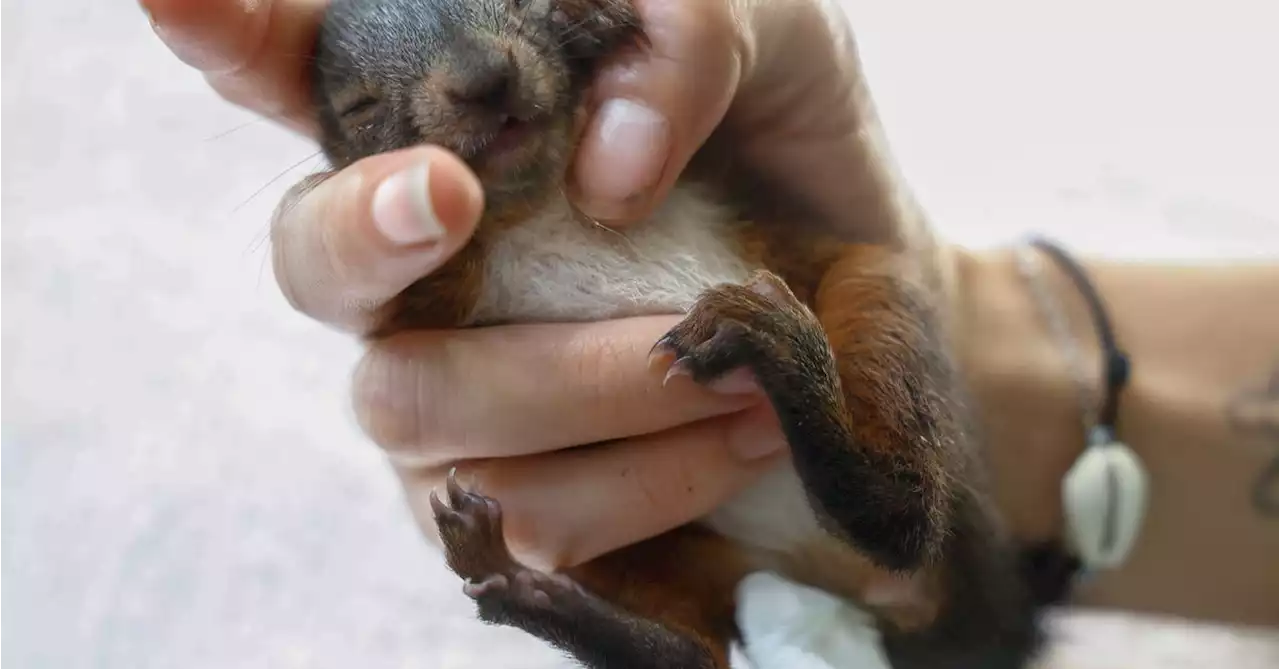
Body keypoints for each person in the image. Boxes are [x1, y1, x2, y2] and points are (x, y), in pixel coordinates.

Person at [141, 0, 1280, 646]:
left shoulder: (624, 119)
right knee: (623, 575)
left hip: (898, 516)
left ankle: (823, 421)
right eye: (362, 109)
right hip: (769, 596)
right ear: (347, 151)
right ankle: (539, 604)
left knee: (866, 286)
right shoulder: (443, 268)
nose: (479, 71)